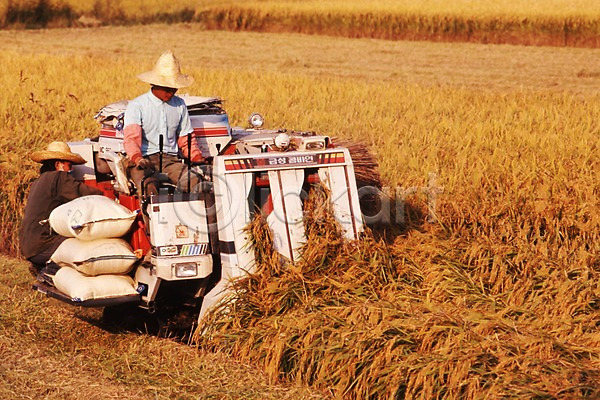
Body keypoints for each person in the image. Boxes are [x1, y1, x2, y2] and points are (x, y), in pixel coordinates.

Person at [123, 50, 203, 196]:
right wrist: (137, 158)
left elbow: (186, 138)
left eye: (174, 88)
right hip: (144, 160)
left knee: (196, 182)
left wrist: (197, 157)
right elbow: (131, 139)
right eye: (167, 88)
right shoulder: (137, 105)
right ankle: (153, 218)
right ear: (155, 84)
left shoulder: (180, 105)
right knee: (148, 186)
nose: (171, 92)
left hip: (170, 161)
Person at [19, 141, 103, 278]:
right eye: (69, 166)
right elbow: (87, 194)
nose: (71, 171)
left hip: (28, 245)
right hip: (41, 245)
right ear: (58, 165)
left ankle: (43, 265)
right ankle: (50, 269)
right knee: (83, 241)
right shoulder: (58, 178)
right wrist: (108, 196)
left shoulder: (38, 181)